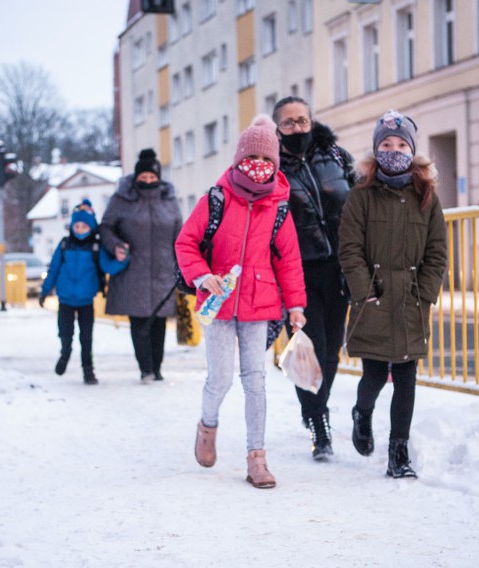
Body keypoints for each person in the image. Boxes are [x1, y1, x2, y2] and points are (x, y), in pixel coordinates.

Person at [175, 115, 307, 489]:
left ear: (276, 164)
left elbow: (289, 259)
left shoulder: (279, 206)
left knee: (255, 380)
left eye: (267, 160)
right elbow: (185, 243)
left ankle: (257, 458)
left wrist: (295, 305)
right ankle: (207, 425)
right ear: (237, 159)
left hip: (260, 302)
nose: (259, 166)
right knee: (219, 379)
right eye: (252, 158)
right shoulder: (216, 198)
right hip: (217, 303)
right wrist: (202, 275)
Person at [338, 109, 448, 479]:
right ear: (375, 150)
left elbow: (437, 252)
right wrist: (362, 291)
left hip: (411, 300)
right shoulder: (361, 197)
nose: (394, 150)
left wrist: (426, 293)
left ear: (413, 151)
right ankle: (362, 413)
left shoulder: (427, 197)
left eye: (401, 144)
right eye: (386, 144)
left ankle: (398, 452)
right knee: (372, 374)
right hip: (374, 297)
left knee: (405, 375)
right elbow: (350, 248)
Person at [274, 95, 356, 461]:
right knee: (308, 351)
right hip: (296, 272)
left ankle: (315, 411)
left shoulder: (335, 157)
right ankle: (319, 424)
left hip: (337, 267)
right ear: (277, 127)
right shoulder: (271, 167)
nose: (297, 128)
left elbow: (357, 201)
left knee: (332, 348)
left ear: (312, 121)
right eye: (288, 122)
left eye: (302, 120)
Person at [99, 149, 183, 383]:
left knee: (159, 322)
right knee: (139, 321)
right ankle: (145, 369)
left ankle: (157, 368)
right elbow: (105, 228)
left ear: (159, 177)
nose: (147, 181)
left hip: (164, 271)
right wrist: (115, 245)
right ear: (136, 178)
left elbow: (180, 234)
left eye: (152, 177)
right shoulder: (121, 200)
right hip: (133, 270)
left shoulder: (169, 201)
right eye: (143, 178)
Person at [39, 199, 128, 384]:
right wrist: (45, 291)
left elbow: (108, 267)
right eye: (77, 226)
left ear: (91, 227)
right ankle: (65, 353)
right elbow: (54, 269)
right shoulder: (64, 245)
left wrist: (122, 260)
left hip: (86, 301)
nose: (79, 229)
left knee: (86, 338)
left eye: (84, 226)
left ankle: (88, 371)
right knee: (65, 333)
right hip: (65, 300)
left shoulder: (96, 248)